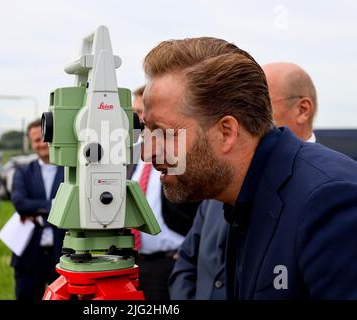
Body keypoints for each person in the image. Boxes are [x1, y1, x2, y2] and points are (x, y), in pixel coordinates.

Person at [142, 37, 357, 299]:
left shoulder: (329, 199)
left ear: (226, 132)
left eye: (163, 133)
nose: (148, 152)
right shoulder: (237, 197)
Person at [169, 61, 321, 300]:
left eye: (262, 105)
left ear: (303, 109)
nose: (246, 116)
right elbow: (188, 262)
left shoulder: (326, 192)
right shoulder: (221, 179)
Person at [129, 86, 200, 300]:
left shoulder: (182, 154)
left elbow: (205, 205)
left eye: (144, 112)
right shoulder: (131, 154)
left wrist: (192, 251)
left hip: (172, 263)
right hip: (133, 262)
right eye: (135, 112)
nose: (139, 119)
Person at [10, 119, 65, 300]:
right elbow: (20, 203)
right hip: (29, 254)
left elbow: (78, 204)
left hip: (63, 254)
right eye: (36, 140)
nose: (41, 144)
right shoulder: (23, 171)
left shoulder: (70, 169)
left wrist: (37, 210)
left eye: (44, 138)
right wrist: (56, 205)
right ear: (31, 143)